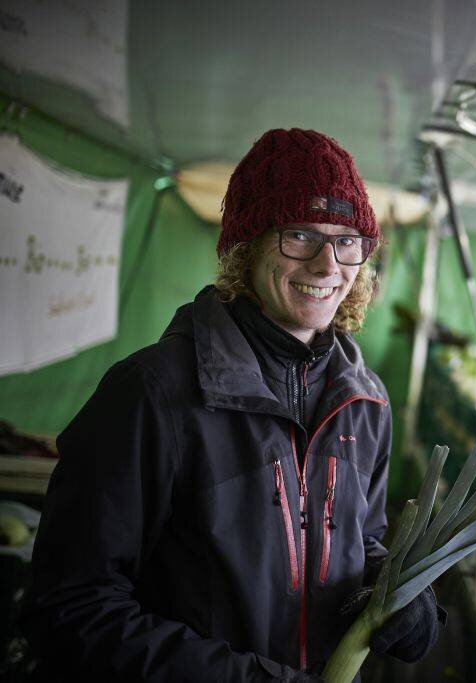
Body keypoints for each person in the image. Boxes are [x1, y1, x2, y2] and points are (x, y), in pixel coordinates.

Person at [21, 129, 445, 680]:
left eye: (347, 241)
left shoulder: (366, 402)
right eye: (300, 235)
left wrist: (403, 598)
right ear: (246, 248)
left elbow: (361, 540)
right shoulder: (152, 394)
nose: (327, 265)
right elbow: (70, 608)